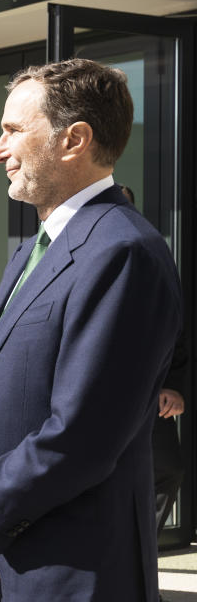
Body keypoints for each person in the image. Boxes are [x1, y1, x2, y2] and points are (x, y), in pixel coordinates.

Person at [0, 59, 182, 601]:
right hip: (4, 555)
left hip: (73, 571)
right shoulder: (33, 249)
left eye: (13, 130)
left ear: (75, 140)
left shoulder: (123, 252)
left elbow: (84, 435)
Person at [117, 184, 187, 543]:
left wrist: (174, 385)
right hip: (98, 401)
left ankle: (139, 564)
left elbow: (175, 328)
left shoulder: (154, 258)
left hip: (150, 397)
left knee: (167, 472)